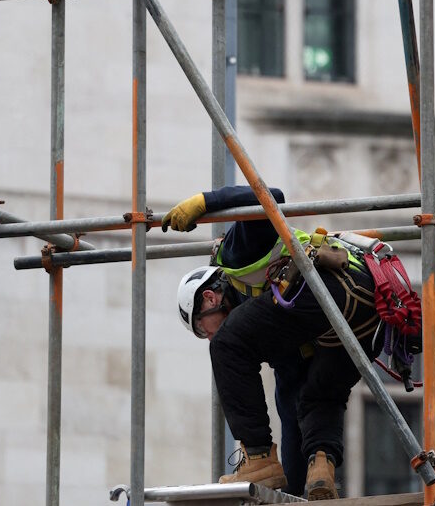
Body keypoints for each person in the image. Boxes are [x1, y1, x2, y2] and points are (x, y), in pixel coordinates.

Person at [164, 185, 385, 500]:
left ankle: (255, 456)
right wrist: (293, 492)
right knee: (316, 399)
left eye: (202, 328)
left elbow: (271, 196)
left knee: (226, 345)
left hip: (329, 284)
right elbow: (290, 408)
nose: (208, 336)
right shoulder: (279, 338)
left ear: (209, 297)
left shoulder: (237, 254)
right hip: (365, 318)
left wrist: (204, 202)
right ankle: (320, 468)